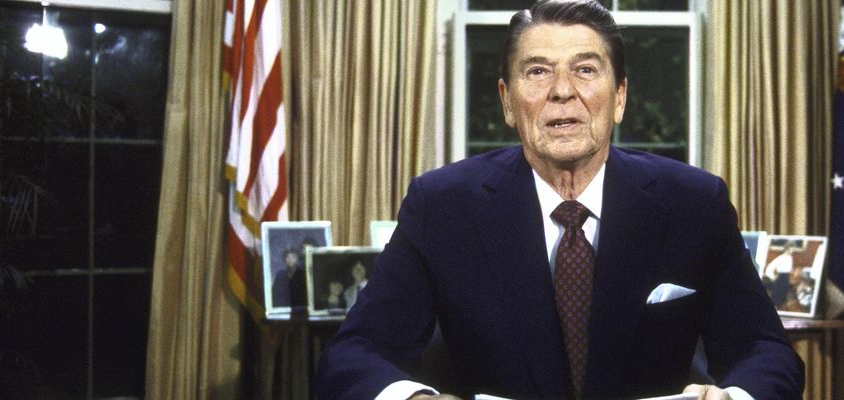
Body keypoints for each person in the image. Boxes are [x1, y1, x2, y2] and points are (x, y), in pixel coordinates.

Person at [315, 1, 804, 399]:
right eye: (537, 72)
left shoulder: (695, 203)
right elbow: (353, 355)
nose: (562, 92)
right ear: (508, 101)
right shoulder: (443, 206)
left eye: (586, 70)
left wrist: (733, 398)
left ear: (619, 98)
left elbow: (766, 352)